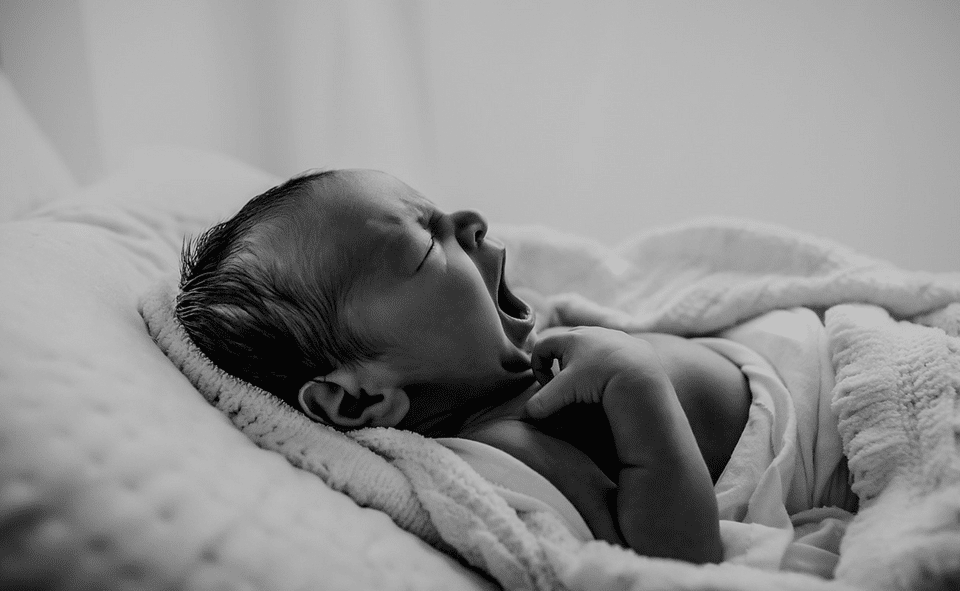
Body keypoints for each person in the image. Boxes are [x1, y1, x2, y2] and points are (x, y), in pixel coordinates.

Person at [175, 169, 845, 567]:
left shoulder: (503, 372)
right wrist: (638, 385)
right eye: (424, 246)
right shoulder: (503, 454)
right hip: (825, 429)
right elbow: (675, 565)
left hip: (808, 351)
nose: (468, 221)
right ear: (357, 402)